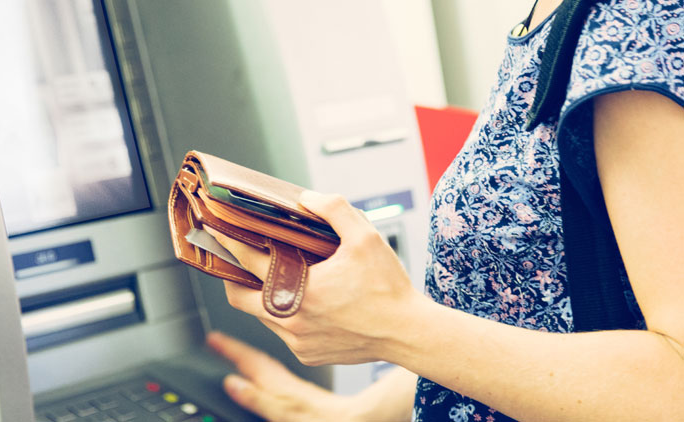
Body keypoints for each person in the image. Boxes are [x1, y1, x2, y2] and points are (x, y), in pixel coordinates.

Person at [203, 0, 684, 420]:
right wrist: (355, 414)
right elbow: (524, 315)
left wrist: (394, 325)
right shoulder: (558, 14)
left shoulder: (639, 18)